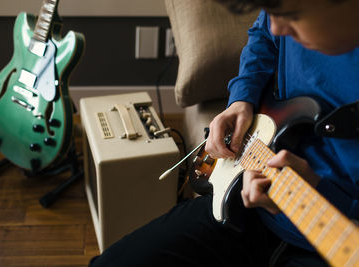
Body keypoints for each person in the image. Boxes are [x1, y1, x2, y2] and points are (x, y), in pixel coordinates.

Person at [89, 0, 359, 266]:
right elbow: (263, 35)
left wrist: (324, 194)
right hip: (242, 208)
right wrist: (242, 98)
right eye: (270, 11)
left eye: (290, 14)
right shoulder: (282, 20)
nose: (277, 27)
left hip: (331, 237)